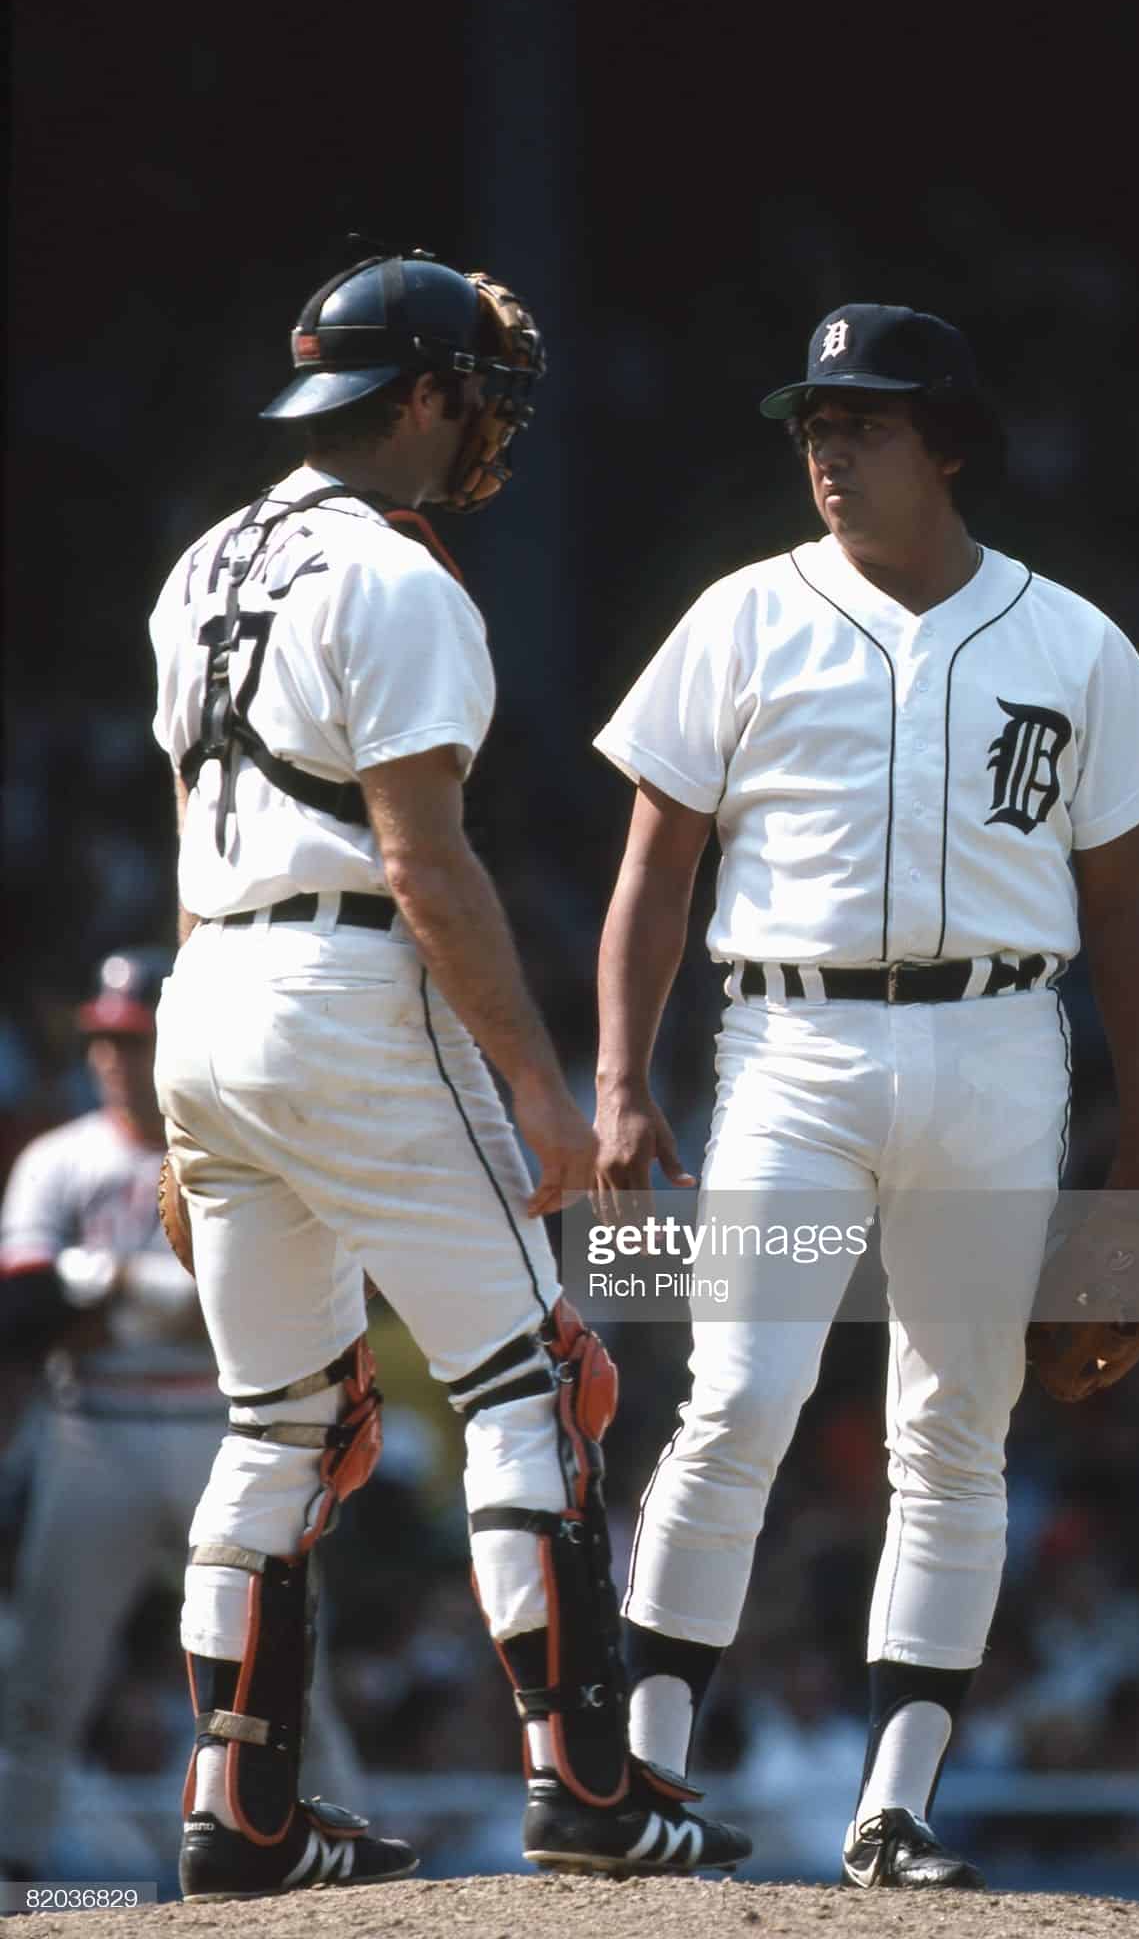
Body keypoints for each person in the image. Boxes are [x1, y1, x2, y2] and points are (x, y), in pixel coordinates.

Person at [147, 248, 749, 1899]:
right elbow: (425, 863)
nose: (486, 425)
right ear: (414, 393)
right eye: (473, 392)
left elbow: (192, 835)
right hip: (347, 989)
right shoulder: (396, 580)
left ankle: (241, 1813)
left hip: (209, 987)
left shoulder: (204, 560)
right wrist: (544, 1092)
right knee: (531, 1382)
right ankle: (590, 1788)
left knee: (284, 1416)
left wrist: (177, 1116)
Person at [591, 303, 1139, 1890]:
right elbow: (654, 875)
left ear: (946, 443)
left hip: (1002, 1047)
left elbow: (1123, 909)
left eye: (861, 422)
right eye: (813, 422)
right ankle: (645, 1781)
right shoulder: (738, 616)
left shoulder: (1069, 637)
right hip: (788, 1049)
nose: (826, 449)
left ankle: (895, 1807)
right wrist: (617, 1080)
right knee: (737, 1396)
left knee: (957, 1428)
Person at [0, 949, 359, 1881]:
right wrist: (151, 1286)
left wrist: (111, 1288)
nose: (114, 1057)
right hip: (96, 1436)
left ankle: (337, 1844)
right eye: (102, 1039)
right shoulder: (58, 1158)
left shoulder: (237, 1147)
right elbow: (24, 1307)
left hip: (220, 1429)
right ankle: (11, 1874)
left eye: (133, 1038)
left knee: (280, 1669)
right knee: (44, 1678)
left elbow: (285, 1297)